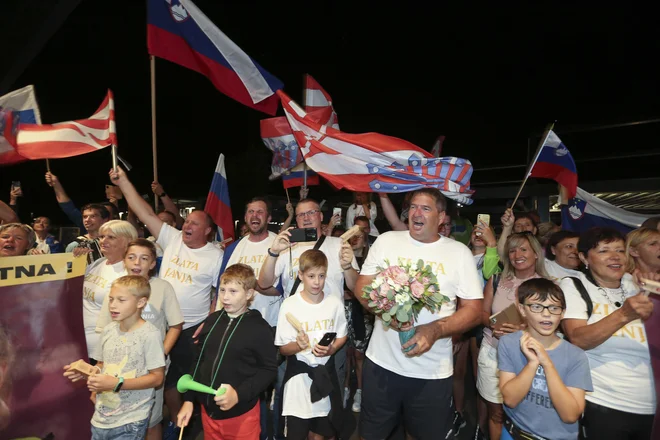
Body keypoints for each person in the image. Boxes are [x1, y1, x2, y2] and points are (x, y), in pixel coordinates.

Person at [355, 188, 483, 440]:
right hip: (381, 365)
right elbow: (362, 286)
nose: (416, 213)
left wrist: (436, 330)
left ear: (442, 217)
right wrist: (382, 310)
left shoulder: (459, 254)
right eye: (413, 206)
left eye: (425, 208)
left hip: (431, 374)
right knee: (372, 434)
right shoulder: (387, 241)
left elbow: (474, 310)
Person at [109, 166, 222, 436]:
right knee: (165, 382)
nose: (187, 226)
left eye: (195, 223)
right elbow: (145, 211)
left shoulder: (216, 256)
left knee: (189, 381)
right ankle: (171, 423)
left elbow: (218, 295)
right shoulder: (171, 238)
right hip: (155, 325)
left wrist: (208, 326)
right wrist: (124, 181)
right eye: (186, 221)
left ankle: (192, 425)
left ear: (207, 230)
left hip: (191, 331)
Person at [259, 197, 358, 404]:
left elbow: (355, 287)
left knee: (331, 399)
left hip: (330, 335)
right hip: (295, 335)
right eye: (301, 214)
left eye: (311, 213)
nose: (306, 218)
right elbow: (264, 282)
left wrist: (348, 266)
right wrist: (273, 251)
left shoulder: (338, 245)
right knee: (293, 397)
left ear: (321, 217)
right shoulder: (287, 247)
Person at [561, 227, 656, 440]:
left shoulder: (640, 285)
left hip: (652, 402)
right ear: (584, 257)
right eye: (604, 251)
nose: (615, 256)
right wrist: (624, 314)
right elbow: (578, 338)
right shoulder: (575, 285)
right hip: (606, 403)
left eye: (620, 250)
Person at [96, 239, 184, 440]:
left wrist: (160, 354)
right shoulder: (116, 288)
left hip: (150, 369)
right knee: (118, 417)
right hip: (117, 367)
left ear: (152, 263)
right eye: (132, 257)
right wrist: (99, 365)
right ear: (124, 260)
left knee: (150, 420)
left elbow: (176, 325)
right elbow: (104, 330)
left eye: (144, 259)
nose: (137, 263)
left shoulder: (162, 287)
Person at [177, 264, 277, 440]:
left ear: (249, 294)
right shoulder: (212, 320)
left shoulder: (260, 329)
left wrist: (239, 394)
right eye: (222, 290)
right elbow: (199, 360)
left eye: (233, 291)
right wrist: (188, 400)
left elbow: (268, 370)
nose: (225, 297)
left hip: (241, 416)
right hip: (208, 414)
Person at [64, 275, 166, 440]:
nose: (113, 305)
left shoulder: (150, 334)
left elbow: (157, 378)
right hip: (101, 416)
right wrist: (86, 371)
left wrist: (117, 383)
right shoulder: (108, 330)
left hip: (131, 420)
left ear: (140, 303)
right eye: (111, 299)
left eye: (121, 300)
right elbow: (102, 365)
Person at [216, 197, 284, 439]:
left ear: (267, 217)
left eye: (261, 212)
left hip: (271, 327)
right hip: (235, 326)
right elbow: (221, 287)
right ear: (245, 217)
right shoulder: (234, 248)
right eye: (251, 211)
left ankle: (269, 433)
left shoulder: (280, 244)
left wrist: (254, 285)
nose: (255, 216)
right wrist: (212, 322)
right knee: (244, 383)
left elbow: (282, 288)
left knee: (268, 385)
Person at [498, 278, 592, 440]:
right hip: (514, 432)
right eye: (536, 306)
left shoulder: (576, 356)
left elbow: (570, 415)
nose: (546, 313)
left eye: (554, 308)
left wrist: (547, 363)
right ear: (522, 309)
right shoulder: (509, 342)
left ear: (562, 313)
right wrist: (533, 363)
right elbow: (510, 400)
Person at [478, 233, 547, 440]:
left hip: (527, 359)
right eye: (512, 250)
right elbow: (482, 313)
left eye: (523, 249)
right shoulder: (497, 280)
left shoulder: (547, 285)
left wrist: (523, 328)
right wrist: (492, 324)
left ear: (536, 254)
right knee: (496, 413)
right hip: (493, 354)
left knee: (523, 415)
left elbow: (551, 323)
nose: (517, 254)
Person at [275, 250, 349, 440]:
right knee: (297, 433)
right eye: (311, 276)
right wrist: (298, 346)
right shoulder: (290, 305)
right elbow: (283, 348)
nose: (317, 282)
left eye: (321, 276)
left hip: (325, 377)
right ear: (300, 275)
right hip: (298, 382)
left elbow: (342, 335)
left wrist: (332, 348)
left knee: (324, 433)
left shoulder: (334, 303)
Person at [82, 220, 137, 359]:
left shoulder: (127, 273)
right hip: (81, 343)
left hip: (102, 349)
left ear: (128, 241)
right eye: (101, 237)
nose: (103, 241)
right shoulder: (98, 263)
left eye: (111, 237)